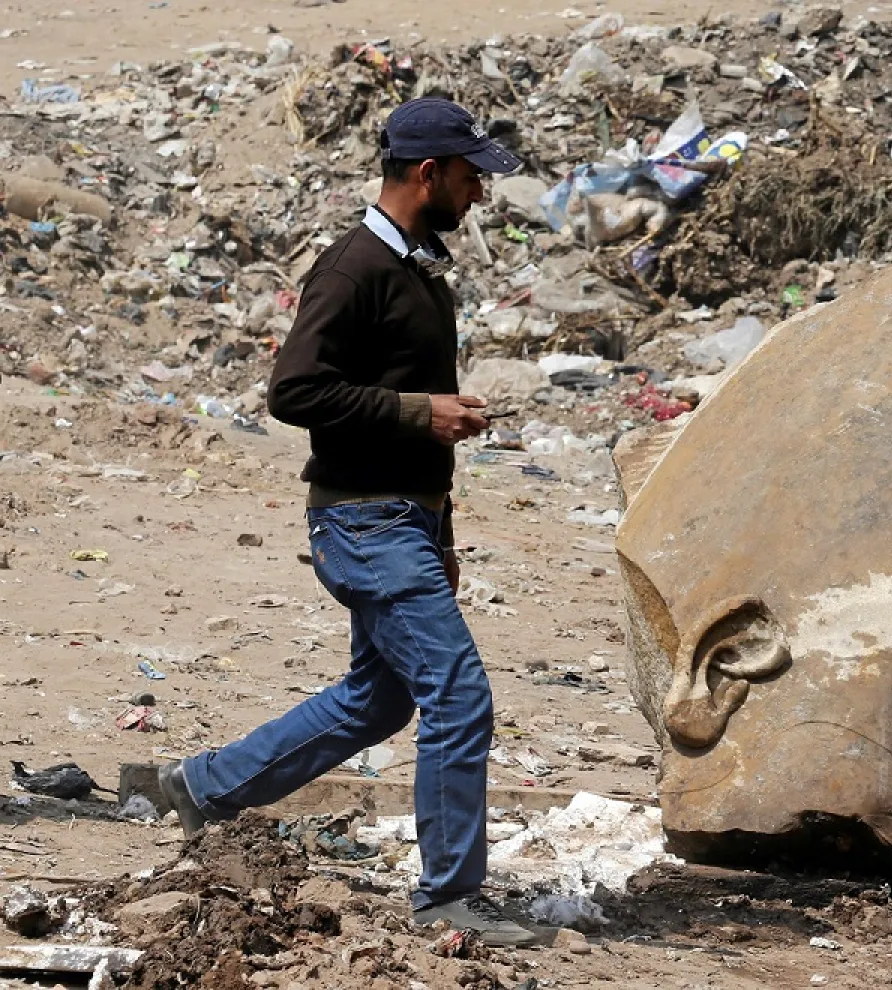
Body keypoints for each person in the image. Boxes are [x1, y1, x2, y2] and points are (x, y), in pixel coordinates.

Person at [155, 98, 539, 947]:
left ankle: (202, 788)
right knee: (459, 693)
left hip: (403, 522)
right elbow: (292, 390)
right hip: (363, 523)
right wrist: (418, 412)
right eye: (471, 175)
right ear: (426, 174)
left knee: (380, 700)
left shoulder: (417, 265)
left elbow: (397, 403)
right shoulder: (354, 267)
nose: (481, 191)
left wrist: (440, 526)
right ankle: (447, 900)